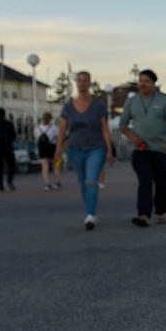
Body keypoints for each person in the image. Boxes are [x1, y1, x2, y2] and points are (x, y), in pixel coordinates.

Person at [119, 69, 166, 227]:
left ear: (153, 83)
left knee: (160, 182)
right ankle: (144, 215)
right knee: (145, 181)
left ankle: (160, 213)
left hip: (160, 148)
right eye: (140, 81)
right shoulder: (132, 101)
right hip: (141, 149)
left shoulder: (163, 101)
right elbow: (122, 125)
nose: (142, 84)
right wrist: (133, 138)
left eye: (146, 81)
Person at [57, 71, 114, 230]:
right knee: (83, 183)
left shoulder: (98, 105)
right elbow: (62, 130)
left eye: (85, 81)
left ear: (90, 83)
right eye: (79, 80)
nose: (82, 83)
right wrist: (58, 149)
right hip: (75, 149)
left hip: (96, 148)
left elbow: (104, 129)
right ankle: (90, 208)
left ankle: (90, 215)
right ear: (76, 83)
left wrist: (109, 149)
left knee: (91, 180)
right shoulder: (68, 106)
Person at [34, 112, 62, 190]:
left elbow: (36, 138)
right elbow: (58, 138)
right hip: (52, 147)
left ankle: (46, 184)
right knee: (56, 165)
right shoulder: (54, 127)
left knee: (44, 166)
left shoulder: (37, 128)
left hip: (42, 148)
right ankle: (56, 183)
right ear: (50, 119)